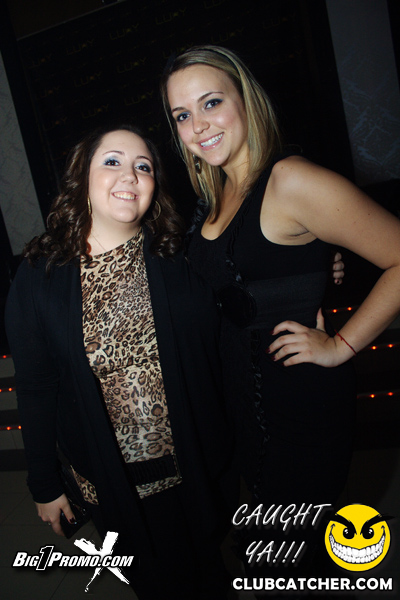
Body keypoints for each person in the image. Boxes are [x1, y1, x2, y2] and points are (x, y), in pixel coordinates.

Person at [161, 45, 400, 583]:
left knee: (286, 566)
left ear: (245, 99)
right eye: (182, 115)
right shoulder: (218, 192)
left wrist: (340, 346)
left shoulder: (290, 179)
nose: (198, 126)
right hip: (247, 408)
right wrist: (313, 264)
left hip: (300, 409)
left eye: (211, 102)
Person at [5, 125, 235, 600]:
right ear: (82, 177)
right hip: (109, 483)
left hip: (191, 470)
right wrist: (44, 484)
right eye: (112, 161)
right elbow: (35, 386)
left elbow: (242, 289)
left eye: (143, 166)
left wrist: (314, 270)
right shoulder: (39, 274)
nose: (130, 175)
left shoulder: (181, 254)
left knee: (208, 580)